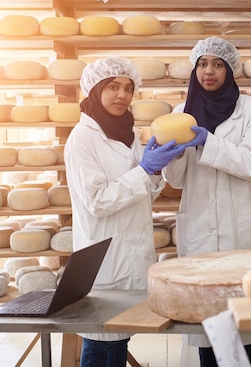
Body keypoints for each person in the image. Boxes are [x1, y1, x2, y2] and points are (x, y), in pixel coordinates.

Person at [64, 57, 186, 367]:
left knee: (118, 334)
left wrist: (156, 170)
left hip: (130, 249)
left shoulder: (126, 133)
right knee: (99, 338)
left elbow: (143, 192)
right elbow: (98, 201)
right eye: (113, 87)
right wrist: (144, 170)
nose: (122, 95)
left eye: (128, 88)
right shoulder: (83, 138)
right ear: (94, 89)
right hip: (103, 254)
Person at [162, 36, 251, 367]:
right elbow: (177, 181)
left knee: (240, 324)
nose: (209, 71)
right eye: (202, 64)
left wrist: (207, 142)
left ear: (230, 69)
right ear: (194, 69)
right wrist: (172, 156)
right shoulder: (180, 114)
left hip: (239, 229)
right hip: (199, 232)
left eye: (218, 64)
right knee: (206, 324)